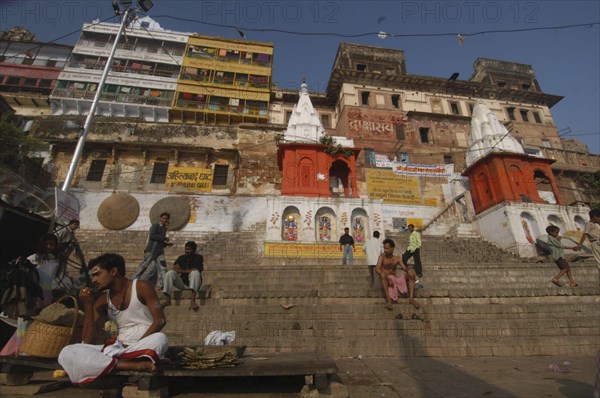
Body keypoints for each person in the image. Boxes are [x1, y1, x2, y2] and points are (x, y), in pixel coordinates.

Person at [58, 253, 168, 384]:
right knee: (68, 352)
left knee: (160, 339)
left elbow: (160, 320)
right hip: (118, 349)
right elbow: (87, 340)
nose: (93, 280)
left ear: (114, 271)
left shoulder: (141, 286)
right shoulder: (103, 300)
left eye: (97, 274)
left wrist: (135, 345)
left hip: (143, 345)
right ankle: (135, 365)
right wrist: (88, 305)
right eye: (92, 276)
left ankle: (110, 364)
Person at [376, 238, 420, 310]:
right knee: (382, 275)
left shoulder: (397, 258)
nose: (385, 250)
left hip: (395, 279)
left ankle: (411, 299)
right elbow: (377, 269)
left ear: (392, 248)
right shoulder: (382, 257)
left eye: (387, 248)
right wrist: (387, 278)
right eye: (384, 248)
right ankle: (388, 300)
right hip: (386, 279)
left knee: (411, 272)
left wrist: (408, 270)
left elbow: (404, 267)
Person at [132, 212, 174, 287]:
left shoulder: (164, 228)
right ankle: (133, 281)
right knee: (144, 266)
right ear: (160, 218)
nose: (164, 220)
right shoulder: (155, 225)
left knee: (162, 267)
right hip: (151, 250)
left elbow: (160, 241)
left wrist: (167, 244)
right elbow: (152, 236)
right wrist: (164, 238)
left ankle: (163, 285)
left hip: (160, 252)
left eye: (166, 219)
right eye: (163, 218)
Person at [160, 241, 203, 310]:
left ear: (194, 250)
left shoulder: (199, 257)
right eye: (186, 249)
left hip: (195, 283)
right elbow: (175, 269)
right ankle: (168, 300)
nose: (187, 251)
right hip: (183, 283)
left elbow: (196, 268)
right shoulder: (181, 258)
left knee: (194, 273)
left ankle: (193, 301)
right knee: (170, 273)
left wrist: (187, 271)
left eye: (189, 249)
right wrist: (186, 271)